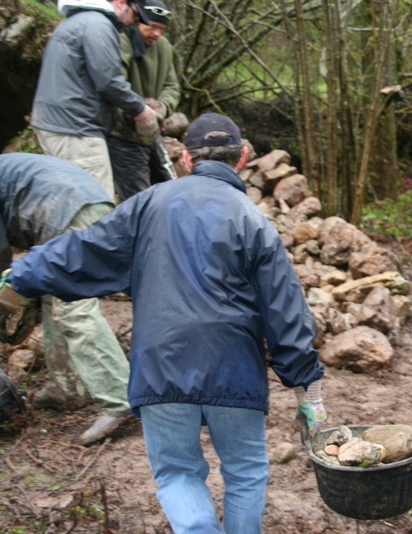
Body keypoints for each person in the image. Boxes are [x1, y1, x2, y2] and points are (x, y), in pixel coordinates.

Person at [2, 113, 326, 534]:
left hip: (160, 365)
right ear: (243, 157)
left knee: (176, 473)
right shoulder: (253, 219)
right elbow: (285, 310)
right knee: (246, 471)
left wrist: (20, 277)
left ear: (187, 159)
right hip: (234, 368)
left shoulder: (147, 204)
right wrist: (307, 389)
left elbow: (83, 249)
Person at [0, 153, 132, 445]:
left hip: (68, 212)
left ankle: (119, 398)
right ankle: (66, 388)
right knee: (53, 297)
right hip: (76, 205)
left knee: (74, 311)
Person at [30, 0, 160, 199]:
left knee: (70, 199)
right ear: (121, 3)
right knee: (96, 201)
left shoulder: (75, 22)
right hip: (77, 129)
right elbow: (109, 81)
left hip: (55, 124)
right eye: (135, 15)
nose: (134, 23)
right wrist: (140, 110)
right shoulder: (98, 25)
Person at [108, 0, 180, 202]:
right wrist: (140, 108)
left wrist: (162, 107)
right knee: (138, 199)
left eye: (162, 29)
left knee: (171, 190)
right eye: (153, 26)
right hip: (122, 135)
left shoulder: (164, 47)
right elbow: (114, 83)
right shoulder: (122, 40)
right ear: (138, 21)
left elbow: (172, 86)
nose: (157, 33)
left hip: (152, 131)